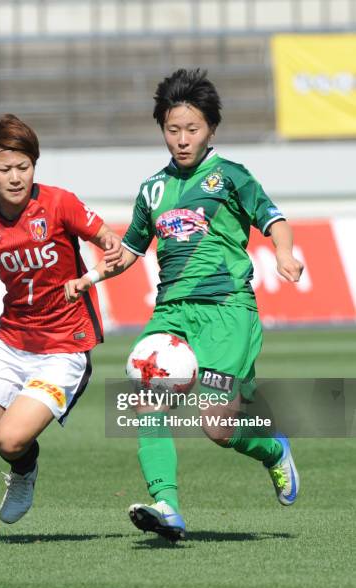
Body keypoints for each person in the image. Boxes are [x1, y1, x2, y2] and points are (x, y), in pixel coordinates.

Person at [65, 69, 304, 542]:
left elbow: (274, 219)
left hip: (226, 310)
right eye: (172, 130)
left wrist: (284, 252)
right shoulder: (152, 188)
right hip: (172, 312)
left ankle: (273, 450)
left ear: (211, 128)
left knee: (216, 425)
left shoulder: (231, 177)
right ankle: (166, 504)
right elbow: (130, 251)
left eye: (191, 129)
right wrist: (91, 276)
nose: (181, 139)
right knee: (144, 396)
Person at [0, 114, 122, 546]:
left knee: (9, 440)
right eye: (5, 169)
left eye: (24, 166)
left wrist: (107, 249)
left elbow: (110, 241)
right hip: (11, 343)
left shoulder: (60, 203)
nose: (16, 177)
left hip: (65, 345)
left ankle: (23, 470)